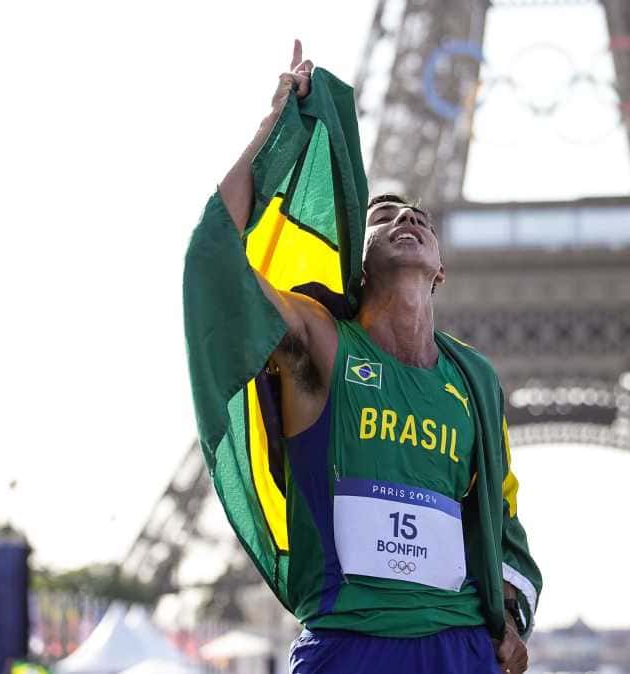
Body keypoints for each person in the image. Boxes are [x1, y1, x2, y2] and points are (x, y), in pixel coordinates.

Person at [186, 40, 540, 674]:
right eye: (383, 215)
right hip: (351, 643)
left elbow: (500, 509)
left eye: (420, 218)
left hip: (458, 643)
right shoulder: (320, 343)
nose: (405, 215)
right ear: (357, 257)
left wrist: (510, 614)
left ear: (440, 270)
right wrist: (275, 132)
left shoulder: (474, 379)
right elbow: (220, 259)